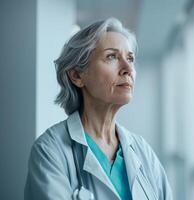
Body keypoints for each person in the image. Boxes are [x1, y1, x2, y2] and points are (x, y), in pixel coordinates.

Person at [24, 18, 172, 200]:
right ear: (77, 76)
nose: (127, 69)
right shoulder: (50, 151)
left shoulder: (143, 151)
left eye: (130, 59)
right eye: (112, 56)